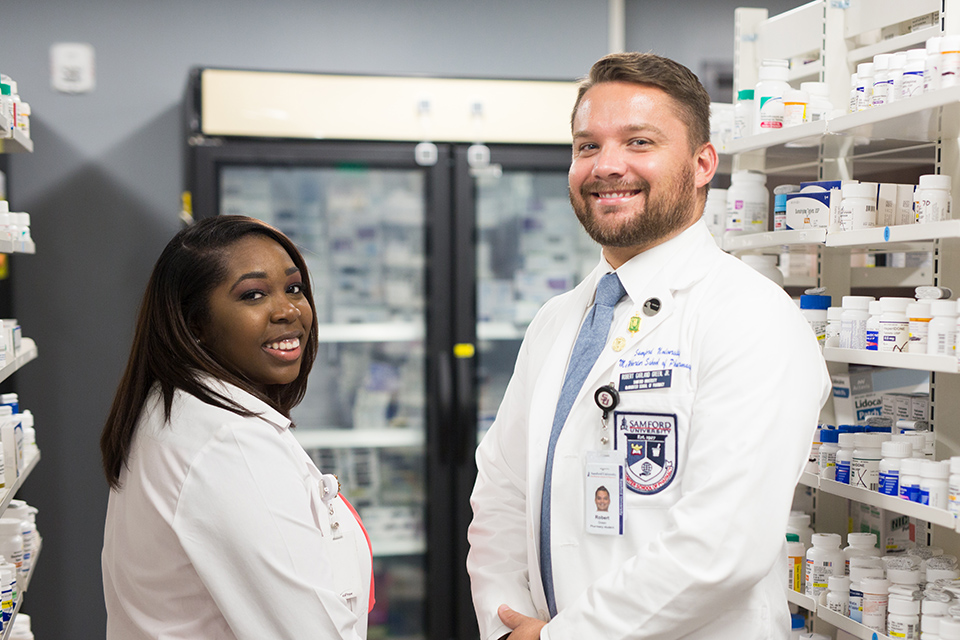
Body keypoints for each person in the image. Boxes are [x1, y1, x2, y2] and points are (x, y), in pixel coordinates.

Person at [466, 52, 831, 640]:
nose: (607, 166)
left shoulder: (751, 317)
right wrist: (506, 623)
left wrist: (564, 636)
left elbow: (721, 545)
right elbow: (502, 494)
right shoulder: (558, 320)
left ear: (702, 163)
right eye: (588, 146)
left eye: (639, 142)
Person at [100, 215, 373, 640]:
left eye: (294, 288)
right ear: (196, 325)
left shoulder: (173, 405)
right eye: (253, 294)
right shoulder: (230, 445)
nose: (287, 310)